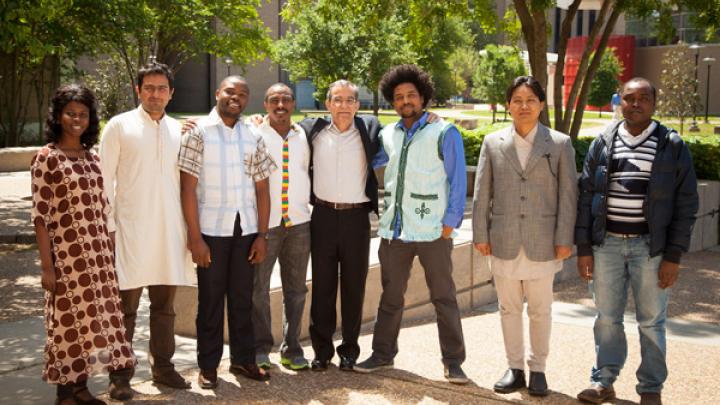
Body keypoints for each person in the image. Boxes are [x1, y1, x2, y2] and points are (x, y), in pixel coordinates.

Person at [575, 77, 698, 405]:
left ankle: (651, 388)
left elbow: (687, 202)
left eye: (644, 98)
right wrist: (584, 248)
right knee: (606, 319)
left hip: (651, 248)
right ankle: (604, 381)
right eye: (629, 98)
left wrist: (674, 254)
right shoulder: (603, 141)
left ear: (654, 103)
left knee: (651, 321)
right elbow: (587, 196)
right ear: (621, 102)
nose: (636, 104)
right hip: (607, 246)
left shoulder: (671, 145)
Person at [354, 64, 469, 385]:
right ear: (393, 101)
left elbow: (458, 180)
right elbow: (368, 159)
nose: (405, 101)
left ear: (423, 98)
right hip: (395, 230)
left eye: (411, 95)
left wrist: (451, 222)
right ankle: (382, 354)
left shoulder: (444, 131)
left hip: (434, 230)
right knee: (390, 296)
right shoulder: (389, 134)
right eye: (399, 96)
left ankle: (454, 361)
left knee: (444, 297)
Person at [472, 76, 578, 396]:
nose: (524, 106)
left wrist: (564, 238)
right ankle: (515, 367)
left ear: (541, 105)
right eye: (517, 100)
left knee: (541, 310)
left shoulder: (559, 144)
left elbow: (568, 195)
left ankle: (539, 369)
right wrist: (480, 233)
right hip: (502, 238)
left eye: (531, 100)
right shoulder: (493, 143)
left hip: (543, 240)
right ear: (508, 106)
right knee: (508, 308)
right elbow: (481, 194)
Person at [31, 85, 136, 405]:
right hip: (66, 257)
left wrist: (110, 251)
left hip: (98, 254)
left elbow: (101, 207)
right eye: (70, 113)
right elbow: (40, 216)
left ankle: (80, 388)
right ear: (58, 117)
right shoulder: (46, 158)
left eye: (83, 114)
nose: (77, 119)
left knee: (92, 322)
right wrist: (47, 267)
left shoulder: (92, 158)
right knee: (66, 325)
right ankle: (65, 393)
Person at [99, 62, 195, 396]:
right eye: (149, 88)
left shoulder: (178, 130)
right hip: (129, 233)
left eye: (162, 88)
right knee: (124, 310)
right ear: (138, 90)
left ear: (171, 93)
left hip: (168, 232)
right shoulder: (119, 126)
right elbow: (103, 180)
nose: (155, 94)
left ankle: (164, 369)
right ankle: (121, 375)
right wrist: (109, 229)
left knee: (164, 309)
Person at [179, 75, 275, 388]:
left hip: (245, 230)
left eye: (243, 94)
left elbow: (262, 189)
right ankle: (208, 367)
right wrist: (195, 238)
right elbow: (187, 189)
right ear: (218, 92)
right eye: (230, 92)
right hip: (210, 231)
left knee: (242, 299)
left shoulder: (252, 134)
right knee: (209, 302)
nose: (236, 97)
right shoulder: (199, 133)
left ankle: (243, 360)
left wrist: (261, 235)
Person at [298, 80, 382, 372]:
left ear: (357, 105)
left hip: (357, 219)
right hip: (322, 216)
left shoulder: (370, 130)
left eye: (349, 100)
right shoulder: (313, 131)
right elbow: (280, 129)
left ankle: (349, 351)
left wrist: (431, 116)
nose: (343, 105)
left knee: (353, 287)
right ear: (328, 103)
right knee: (321, 287)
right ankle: (322, 352)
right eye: (337, 99)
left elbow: (405, 128)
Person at [250, 84, 312, 371]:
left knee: (296, 289)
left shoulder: (303, 135)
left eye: (286, 99)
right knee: (258, 289)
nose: (280, 105)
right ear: (265, 105)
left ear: (293, 104)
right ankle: (261, 348)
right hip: (266, 225)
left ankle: (292, 347)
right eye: (274, 99)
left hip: (299, 223)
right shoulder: (253, 134)